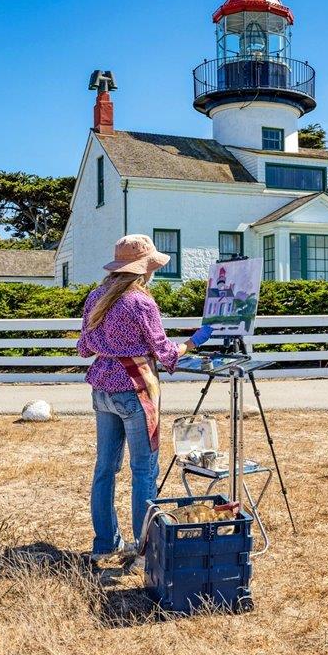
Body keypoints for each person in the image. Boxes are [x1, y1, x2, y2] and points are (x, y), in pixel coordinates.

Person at [76, 234, 213, 564]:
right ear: (144, 269)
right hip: (135, 391)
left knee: (105, 470)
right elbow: (164, 353)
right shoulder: (140, 302)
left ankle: (105, 544)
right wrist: (194, 342)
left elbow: (84, 348)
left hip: (102, 388)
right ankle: (144, 548)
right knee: (143, 472)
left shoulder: (96, 296)